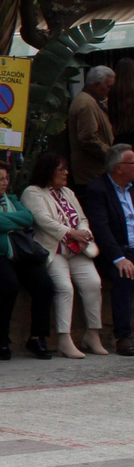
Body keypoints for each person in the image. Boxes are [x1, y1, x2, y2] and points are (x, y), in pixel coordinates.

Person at [0, 157, 56, 361]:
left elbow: (28, 218)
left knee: (44, 285)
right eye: (1, 179)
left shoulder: (12, 199)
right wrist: (11, 223)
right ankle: (0, 335)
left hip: (20, 251)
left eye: (7, 179)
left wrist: (1, 219)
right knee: (8, 285)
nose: (6, 183)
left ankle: (37, 337)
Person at [22, 152, 107, 360]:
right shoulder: (33, 192)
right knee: (64, 288)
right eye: (62, 169)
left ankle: (92, 334)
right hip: (54, 249)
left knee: (93, 283)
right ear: (49, 171)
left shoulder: (68, 192)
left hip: (77, 249)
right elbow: (43, 221)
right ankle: (64, 338)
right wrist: (71, 232)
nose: (66, 173)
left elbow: (82, 217)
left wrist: (83, 233)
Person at [78, 143, 134, 357]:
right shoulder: (97, 190)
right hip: (114, 251)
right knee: (124, 276)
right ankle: (123, 337)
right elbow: (100, 229)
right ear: (119, 167)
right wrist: (118, 257)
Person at [69, 66, 116, 187]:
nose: (110, 90)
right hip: (92, 173)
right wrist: (112, 155)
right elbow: (88, 138)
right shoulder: (87, 104)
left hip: (94, 171)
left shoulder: (90, 101)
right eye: (108, 86)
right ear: (96, 85)